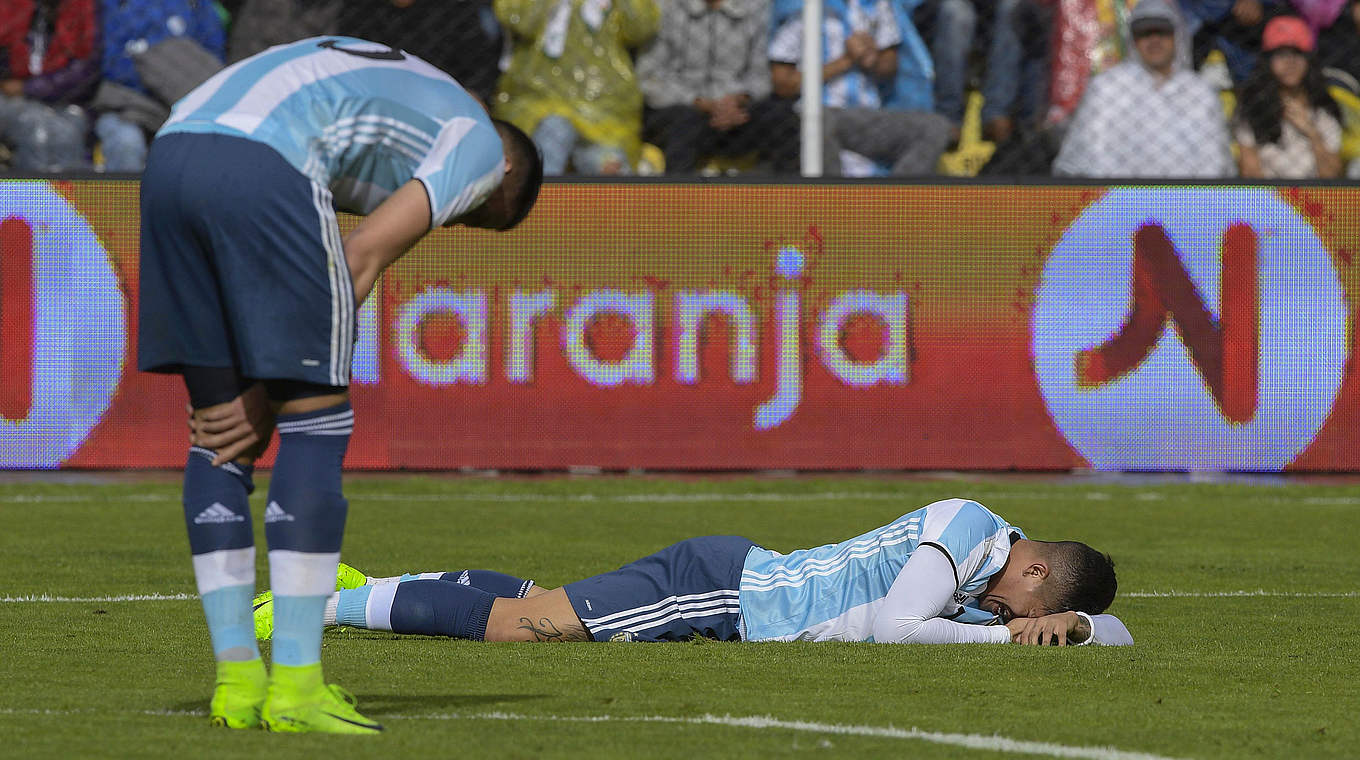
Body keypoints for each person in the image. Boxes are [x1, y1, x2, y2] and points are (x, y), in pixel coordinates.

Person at [137, 35, 544, 735]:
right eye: (478, 214)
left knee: (215, 435)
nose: (458, 219)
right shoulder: (477, 145)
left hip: (171, 150)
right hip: (263, 161)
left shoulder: (411, 97)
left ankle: (236, 682)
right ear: (504, 172)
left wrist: (248, 397)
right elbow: (361, 255)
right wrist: (270, 394)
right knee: (315, 424)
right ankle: (295, 685)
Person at [254, 499, 1134, 647]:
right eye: (1024, 606)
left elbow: (1124, 637)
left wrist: (1083, 629)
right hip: (725, 588)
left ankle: (391, 582)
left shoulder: (997, 582)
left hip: (728, 591)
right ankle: (321, 606)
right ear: (1038, 566)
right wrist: (1007, 645)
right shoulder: (968, 528)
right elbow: (893, 627)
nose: (1003, 614)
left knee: (535, 602)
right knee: (528, 628)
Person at [769, 0, 953, 176]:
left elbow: (890, 63)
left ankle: (894, 204)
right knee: (818, 122)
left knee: (935, 128)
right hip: (818, 112)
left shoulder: (878, 4)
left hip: (866, 116)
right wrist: (846, 61)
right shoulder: (801, 8)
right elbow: (783, 84)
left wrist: (872, 58)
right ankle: (832, 204)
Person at [1053, 0, 1235, 177]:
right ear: (1133, 39)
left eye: (1162, 31)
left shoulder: (1200, 93)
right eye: (1145, 32)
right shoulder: (1107, 88)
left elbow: (1215, 164)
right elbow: (1087, 160)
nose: (1154, 39)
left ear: (1177, 35)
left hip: (1186, 201)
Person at [493, 0, 660, 175]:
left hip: (604, 107)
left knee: (610, 167)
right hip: (541, 99)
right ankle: (542, 199)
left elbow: (641, 28)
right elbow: (519, 20)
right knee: (552, 137)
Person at [635, 0, 800, 174]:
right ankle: (679, 197)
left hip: (737, 112)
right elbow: (649, 77)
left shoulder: (756, 7)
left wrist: (738, 100)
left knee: (783, 117)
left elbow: (760, 76)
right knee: (685, 122)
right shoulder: (665, 7)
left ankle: (785, 197)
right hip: (680, 110)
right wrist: (699, 102)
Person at [95, 0, 228, 172]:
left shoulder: (198, 5)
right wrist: (153, 75)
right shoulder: (116, 5)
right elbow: (109, 65)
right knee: (126, 143)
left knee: (205, 148)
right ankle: (128, 200)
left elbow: (212, 66)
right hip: (129, 104)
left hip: (185, 109)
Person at [1235, 15, 1343, 177]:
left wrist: (1312, 132)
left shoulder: (1324, 108)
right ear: (1267, 61)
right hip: (1268, 199)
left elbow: (1332, 177)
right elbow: (1250, 172)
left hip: (1313, 198)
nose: (1290, 62)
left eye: (1297, 53)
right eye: (1281, 54)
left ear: (1309, 61)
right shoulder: (1253, 107)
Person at [0, 0, 98, 172]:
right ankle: (32, 198)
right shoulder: (12, 7)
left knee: (67, 132)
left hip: (64, 99)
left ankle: (65, 198)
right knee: (35, 128)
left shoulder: (83, 9)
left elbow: (84, 72)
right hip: (10, 97)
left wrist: (29, 88)